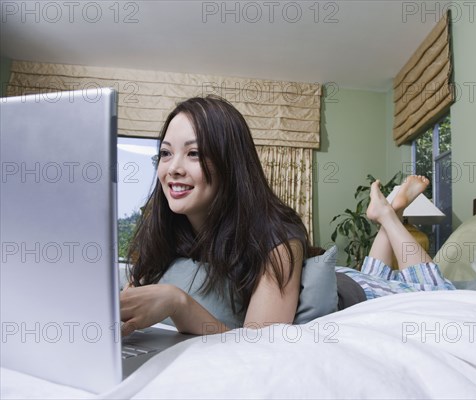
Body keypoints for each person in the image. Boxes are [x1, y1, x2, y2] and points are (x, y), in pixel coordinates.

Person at [120, 95, 453, 337]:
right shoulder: (165, 229)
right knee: (377, 271)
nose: (173, 168)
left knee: (439, 294)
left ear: (230, 165)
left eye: (193, 153)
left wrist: (179, 303)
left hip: (354, 291)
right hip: (342, 275)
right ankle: (387, 213)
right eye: (165, 153)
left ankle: (388, 216)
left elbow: (260, 343)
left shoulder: (276, 234)